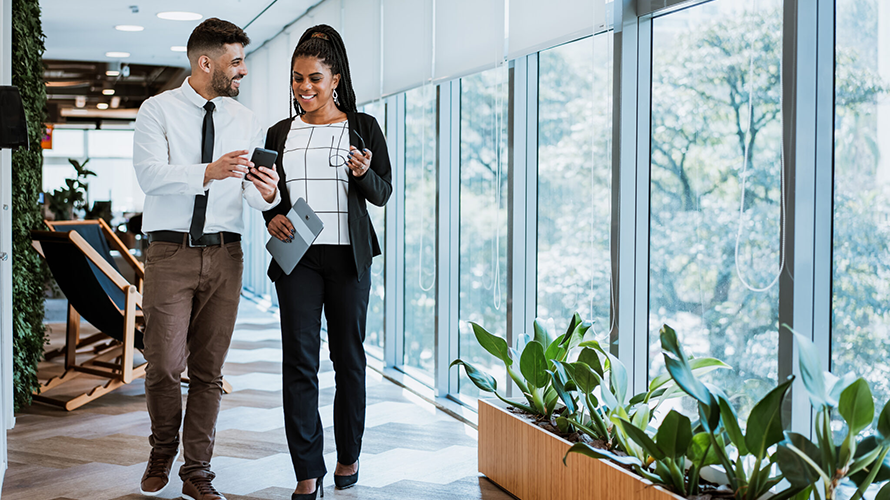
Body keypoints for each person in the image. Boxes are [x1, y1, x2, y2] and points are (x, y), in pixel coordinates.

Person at [132, 18, 280, 500]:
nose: (242, 72)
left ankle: (197, 469)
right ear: (206, 62)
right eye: (236, 62)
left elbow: (253, 199)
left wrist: (267, 191)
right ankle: (161, 448)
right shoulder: (157, 110)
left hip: (226, 253)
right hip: (169, 251)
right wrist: (209, 171)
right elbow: (150, 176)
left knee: (209, 371)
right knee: (162, 366)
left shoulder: (246, 118)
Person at [262, 24, 392, 500]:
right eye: (298, 79)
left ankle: (348, 456)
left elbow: (382, 193)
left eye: (315, 78)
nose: (305, 89)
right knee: (299, 361)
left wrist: (362, 173)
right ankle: (306, 472)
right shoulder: (280, 131)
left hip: (348, 259)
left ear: (335, 79)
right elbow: (270, 192)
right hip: (298, 257)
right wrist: (272, 214)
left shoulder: (362, 127)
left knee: (348, 359)